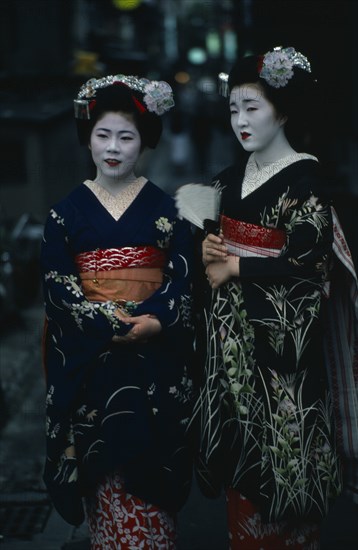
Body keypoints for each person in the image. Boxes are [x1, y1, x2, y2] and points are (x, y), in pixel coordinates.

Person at [186, 46, 358, 549]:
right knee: (242, 475)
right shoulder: (227, 177)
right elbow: (201, 231)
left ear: (282, 111)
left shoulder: (308, 181)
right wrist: (206, 247)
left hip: (283, 362)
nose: (240, 120)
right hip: (232, 350)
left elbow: (311, 269)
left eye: (252, 108)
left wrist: (236, 264)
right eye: (234, 108)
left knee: (288, 478)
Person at [40, 74, 194, 548]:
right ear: (87, 137)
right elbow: (59, 289)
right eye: (102, 135)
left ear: (144, 141)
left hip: (154, 363)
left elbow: (183, 280)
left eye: (126, 137)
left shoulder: (169, 209)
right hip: (94, 370)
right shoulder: (63, 215)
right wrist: (110, 323)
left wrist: (156, 319)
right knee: (105, 488)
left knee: (154, 493)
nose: (113, 147)